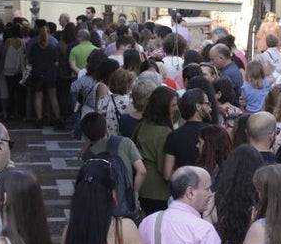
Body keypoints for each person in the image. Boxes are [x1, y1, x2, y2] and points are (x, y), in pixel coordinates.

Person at [81, 111, 145, 216]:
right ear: (106, 128)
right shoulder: (125, 142)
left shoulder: (89, 156)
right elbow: (142, 171)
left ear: (86, 136)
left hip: (102, 209)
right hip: (128, 206)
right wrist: (134, 193)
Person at [132, 86, 178, 214]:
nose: (176, 109)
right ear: (163, 107)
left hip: (142, 187)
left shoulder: (142, 125)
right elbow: (164, 167)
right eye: (173, 105)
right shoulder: (164, 132)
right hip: (158, 191)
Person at [26, 20, 62, 129]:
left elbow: (30, 60)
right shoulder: (53, 46)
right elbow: (57, 62)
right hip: (50, 73)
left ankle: (39, 119)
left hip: (37, 73)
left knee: (38, 97)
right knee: (53, 97)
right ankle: (57, 118)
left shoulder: (34, 45)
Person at [163, 88, 208, 173]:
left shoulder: (173, 136)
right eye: (207, 103)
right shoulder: (213, 132)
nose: (210, 106)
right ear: (198, 106)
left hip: (183, 183)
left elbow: (167, 174)